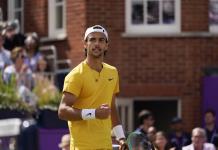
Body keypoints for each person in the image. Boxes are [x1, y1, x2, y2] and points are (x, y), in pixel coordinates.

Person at [58, 25, 128, 150]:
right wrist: (93, 113)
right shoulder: (75, 75)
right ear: (85, 44)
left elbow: (111, 107)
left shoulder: (113, 72)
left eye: (101, 40)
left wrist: (121, 137)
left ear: (106, 45)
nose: (97, 43)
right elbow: (62, 111)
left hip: (106, 145)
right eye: (92, 39)